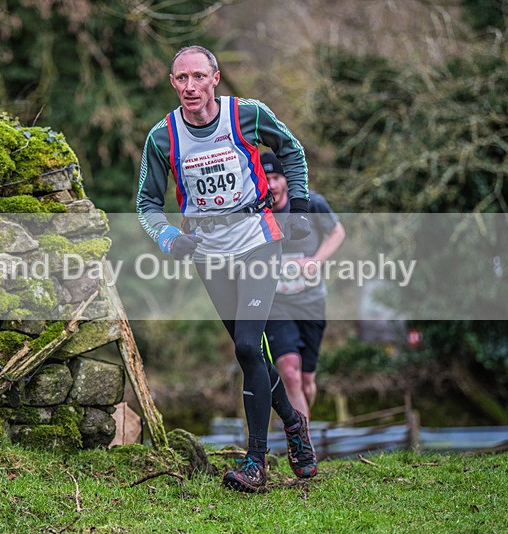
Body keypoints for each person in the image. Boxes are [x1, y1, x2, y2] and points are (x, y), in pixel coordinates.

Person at [136, 45, 317, 492]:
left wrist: (297, 206)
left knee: (247, 343)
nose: (190, 86)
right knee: (248, 352)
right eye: (181, 79)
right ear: (173, 84)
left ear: (215, 78)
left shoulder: (248, 114)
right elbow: (146, 205)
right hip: (209, 252)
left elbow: (292, 150)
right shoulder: (162, 138)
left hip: (258, 238)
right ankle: (295, 424)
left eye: (199, 76)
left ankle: (256, 462)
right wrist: (169, 239)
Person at [261, 151, 346, 422]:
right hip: (276, 303)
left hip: (310, 300)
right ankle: (304, 444)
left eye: (276, 177)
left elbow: (337, 231)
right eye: (266, 178)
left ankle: (305, 414)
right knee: (289, 372)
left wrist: (316, 261)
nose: (271, 184)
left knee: (306, 379)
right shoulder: (254, 211)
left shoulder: (310, 203)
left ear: (286, 180)